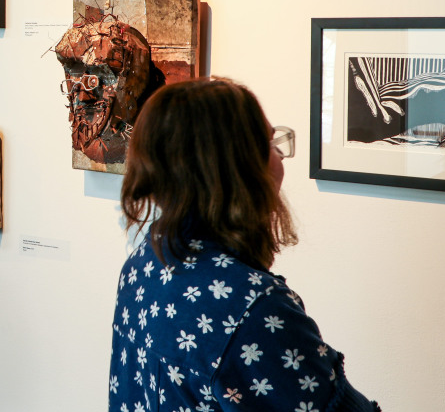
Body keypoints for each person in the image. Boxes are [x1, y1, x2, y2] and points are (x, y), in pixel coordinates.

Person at [109, 78, 379, 412]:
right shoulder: (254, 306)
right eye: (269, 143)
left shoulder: (143, 263)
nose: (280, 155)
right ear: (237, 168)